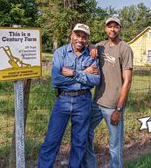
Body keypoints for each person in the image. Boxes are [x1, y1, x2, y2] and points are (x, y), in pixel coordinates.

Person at [38, 23, 100, 168]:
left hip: (83, 101)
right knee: (51, 141)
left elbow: (96, 79)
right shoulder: (61, 52)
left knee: (79, 142)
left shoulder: (91, 55)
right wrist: (85, 73)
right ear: (71, 36)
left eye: (84, 37)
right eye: (78, 35)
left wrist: (73, 73)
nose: (80, 39)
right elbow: (57, 79)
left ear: (87, 39)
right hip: (63, 100)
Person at [83, 17, 133, 168]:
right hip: (96, 102)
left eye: (115, 26)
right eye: (109, 26)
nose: (112, 29)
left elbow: (128, 81)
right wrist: (91, 46)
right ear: (105, 29)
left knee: (115, 144)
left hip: (113, 105)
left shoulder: (124, 48)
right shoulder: (102, 46)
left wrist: (118, 109)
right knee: (84, 133)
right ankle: (89, 165)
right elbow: (90, 45)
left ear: (119, 28)